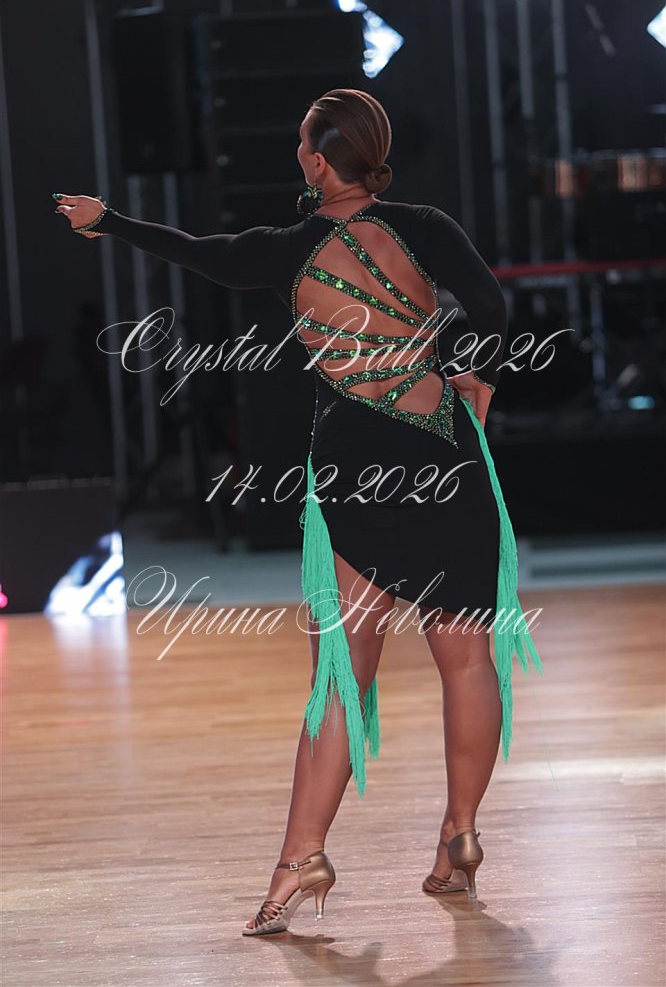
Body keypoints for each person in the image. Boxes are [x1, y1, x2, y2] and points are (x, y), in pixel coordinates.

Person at [53, 88, 543, 936]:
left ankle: (300, 860)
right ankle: (460, 838)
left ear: (319, 161)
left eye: (302, 147)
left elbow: (198, 252)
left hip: (359, 467)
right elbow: (492, 307)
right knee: (467, 659)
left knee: (342, 674)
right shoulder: (425, 227)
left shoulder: (287, 248)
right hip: (446, 449)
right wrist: (477, 376)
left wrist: (111, 222)